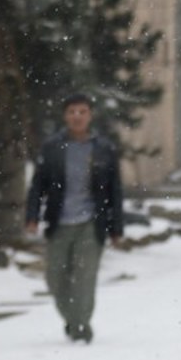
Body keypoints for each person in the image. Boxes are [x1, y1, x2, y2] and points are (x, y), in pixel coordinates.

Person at [25, 93, 123, 343]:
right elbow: (38, 185)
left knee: (84, 278)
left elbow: (115, 191)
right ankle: (73, 319)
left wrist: (116, 228)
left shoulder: (104, 149)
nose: (77, 116)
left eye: (82, 112)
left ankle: (81, 329)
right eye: (72, 112)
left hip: (92, 222)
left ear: (90, 115)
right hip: (59, 222)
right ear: (65, 116)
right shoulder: (52, 147)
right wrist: (32, 216)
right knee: (55, 277)